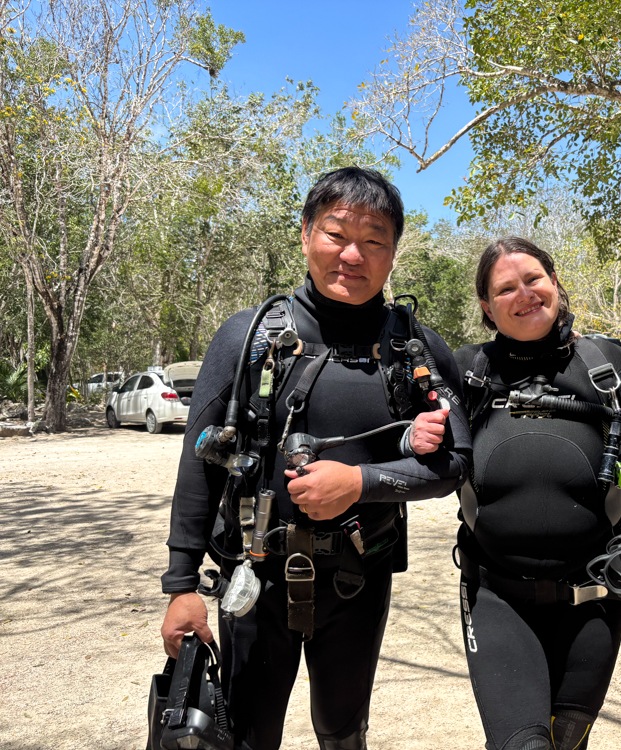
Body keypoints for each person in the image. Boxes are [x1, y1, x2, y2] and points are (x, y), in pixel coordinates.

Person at [159, 167, 472, 750]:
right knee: (248, 735)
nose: (353, 255)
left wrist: (360, 481)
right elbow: (199, 464)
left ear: (393, 253)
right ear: (306, 234)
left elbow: (455, 464)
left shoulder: (415, 349)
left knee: (343, 731)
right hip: (254, 576)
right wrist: (181, 585)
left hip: (359, 576)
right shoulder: (249, 338)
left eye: (374, 240)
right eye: (336, 234)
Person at [412, 237, 621, 750]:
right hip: (495, 595)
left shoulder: (607, 364)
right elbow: (414, 445)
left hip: (594, 596)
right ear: (486, 306)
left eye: (534, 279)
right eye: (505, 289)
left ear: (555, 283)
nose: (524, 294)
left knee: (569, 741)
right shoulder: (465, 371)